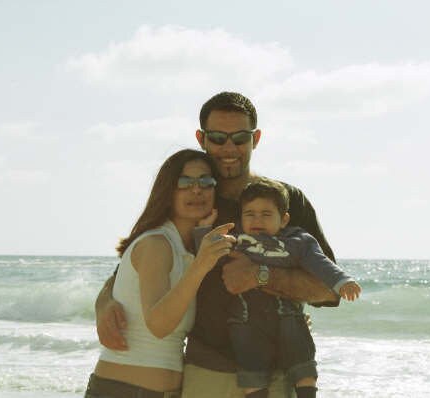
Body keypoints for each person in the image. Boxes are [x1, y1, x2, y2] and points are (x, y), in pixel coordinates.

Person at [96, 92, 341, 398]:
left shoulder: (285, 200)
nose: (229, 148)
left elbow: (330, 291)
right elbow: (136, 266)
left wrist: (263, 276)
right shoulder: (194, 204)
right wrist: (104, 303)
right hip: (205, 372)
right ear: (202, 138)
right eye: (218, 137)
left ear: (256, 138)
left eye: (240, 138)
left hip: (274, 376)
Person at [85, 149, 237, 398]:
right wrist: (201, 264)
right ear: (168, 190)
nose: (196, 190)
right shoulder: (157, 244)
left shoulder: (184, 248)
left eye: (206, 182)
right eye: (184, 182)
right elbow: (158, 324)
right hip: (124, 391)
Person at [194, 180, 362, 398]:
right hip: (246, 321)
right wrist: (202, 229)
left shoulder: (298, 242)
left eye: (266, 214)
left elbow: (320, 263)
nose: (257, 220)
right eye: (250, 214)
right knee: (251, 367)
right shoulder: (238, 241)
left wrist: (342, 282)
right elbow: (209, 255)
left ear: (283, 219)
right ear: (241, 218)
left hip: (288, 317)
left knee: (302, 358)